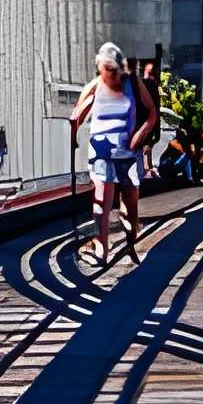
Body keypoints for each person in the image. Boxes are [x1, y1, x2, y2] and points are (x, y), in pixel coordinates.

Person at [67, 42, 157, 267]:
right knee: (102, 203)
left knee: (130, 200)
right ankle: (101, 247)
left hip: (127, 152)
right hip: (101, 153)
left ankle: (132, 228)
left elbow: (151, 113)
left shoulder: (133, 83)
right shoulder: (95, 86)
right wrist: (74, 134)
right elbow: (76, 115)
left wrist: (140, 136)